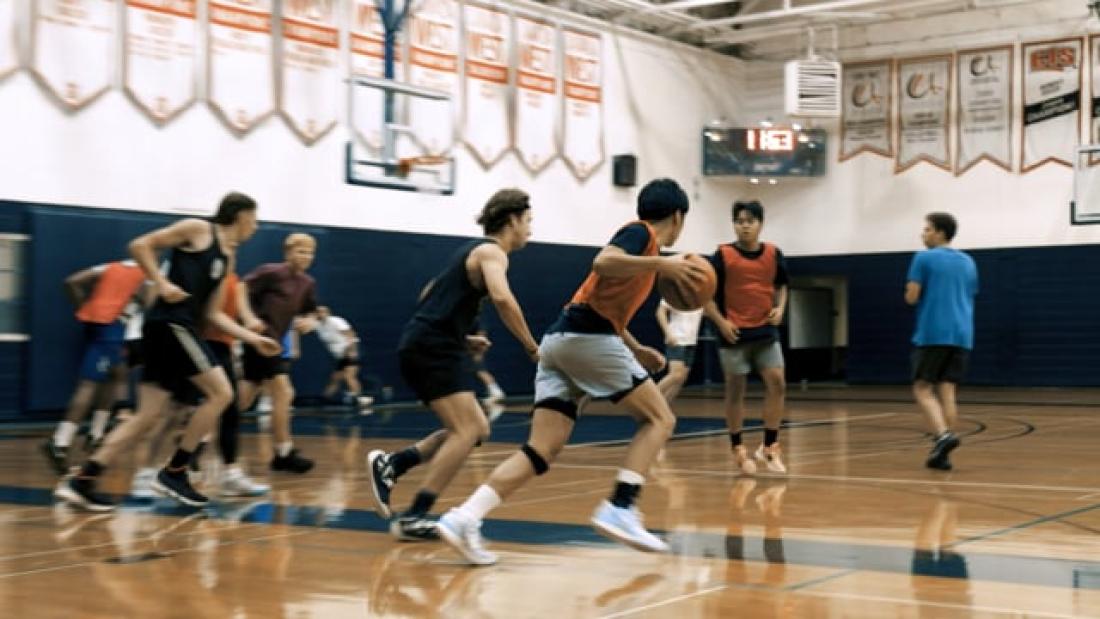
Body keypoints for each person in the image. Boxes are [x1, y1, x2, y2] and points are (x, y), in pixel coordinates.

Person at [435, 178, 705, 565]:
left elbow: (597, 302)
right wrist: (663, 261)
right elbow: (602, 261)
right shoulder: (640, 234)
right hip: (585, 341)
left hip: (560, 343)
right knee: (660, 418)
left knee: (540, 451)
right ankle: (621, 506)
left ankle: (464, 517)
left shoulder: (642, 253)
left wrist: (635, 347)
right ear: (678, 217)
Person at [54, 192, 281, 511]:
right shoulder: (198, 229)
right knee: (222, 394)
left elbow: (213, 315)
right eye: (254, 220)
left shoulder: (228, 257)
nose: (255, 228)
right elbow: (140, 245)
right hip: (171, 324)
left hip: (180, 328)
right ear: (241, 216)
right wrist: (160, 282)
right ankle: (175, 473)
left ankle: (84, 480)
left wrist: (252, 339)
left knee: (147, 415)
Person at [366, 188, 540, 542]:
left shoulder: (468, 252)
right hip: (432, 348)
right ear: (512, 221)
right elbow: (504, 299)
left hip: (432, 343)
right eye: (528, 221)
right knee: (466, 431)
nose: (530, 229)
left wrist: (460, 336)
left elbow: (428, 294)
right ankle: (414, 515)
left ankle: (394, 465)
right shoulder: (493, 252)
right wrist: (530, 346)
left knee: (477, 428)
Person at [703, 200, 790, 475]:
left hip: (765, 331)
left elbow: (783, 286)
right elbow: (704, 296)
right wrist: (721, 322)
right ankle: (738, 448)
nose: (745, 226)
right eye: (740, 221)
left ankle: (769, 446)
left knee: (777, 383)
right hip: (734, 333)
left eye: (750, 221)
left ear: (760, 224)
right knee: (735, 390)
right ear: (734, 225)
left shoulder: (774, 254)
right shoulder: (723, 255)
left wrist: (780, 308)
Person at [42, 260, 147, 474]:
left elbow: (72, 281)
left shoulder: (112, 266)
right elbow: (147, 303)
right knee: (89, 385)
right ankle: (60, 442)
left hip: (102, 326)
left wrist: (84, 307)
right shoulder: (148, 275)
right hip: (114, 328)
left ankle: (96, 435)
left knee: (115, 375)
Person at [237, 233, 320, 474]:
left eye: (310, 252)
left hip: (276, 344)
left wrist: (309, 321)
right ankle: (283, 452)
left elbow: (312, 311)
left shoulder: (307, 283)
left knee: (244, 397)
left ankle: (200, 437)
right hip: (259, 340)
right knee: (283, 392)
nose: (305, 256)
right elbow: (242, 286)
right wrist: (250, 318)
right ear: (288, 252)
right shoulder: (271, 272)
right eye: (300, 251)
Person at [905, 212, 977, 471]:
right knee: (947, 390)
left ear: (939, 232)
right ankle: (943, 453)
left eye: (927, 229)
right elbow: (970, 294)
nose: (923, 234)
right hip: (963, 334)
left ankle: (943, 437)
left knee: (922, 388)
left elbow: (912, 296)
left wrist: (910, 293)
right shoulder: (968, 261)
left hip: (934, 332)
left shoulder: (922, 258)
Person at [316, 306, 369, 407]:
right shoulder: (318, 326)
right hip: (340, 355)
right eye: (318, 312)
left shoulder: (336, 321)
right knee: (335, 378)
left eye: (322, 312)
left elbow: (351, 335)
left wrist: (352, 351)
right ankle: (325, 399)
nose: (320, 314)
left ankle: (358, 399)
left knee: (349, 376)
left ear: (328, 313)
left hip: (351, 350)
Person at [654, 296, 703, 403]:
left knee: (681, 378)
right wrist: (668, 333)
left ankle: (664, 409)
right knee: (676, 374)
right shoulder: (674, 291)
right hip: (677, 338)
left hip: (691, 340)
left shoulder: (702, 293)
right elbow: (660, 312)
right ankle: (649, 399)